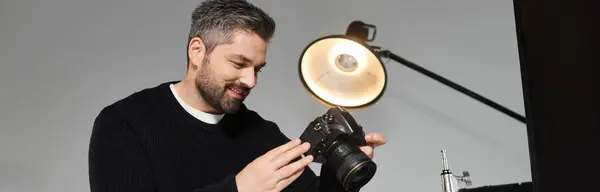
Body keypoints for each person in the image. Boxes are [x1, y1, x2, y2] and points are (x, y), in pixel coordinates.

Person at [88, 0, 387, 192]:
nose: (251, 80)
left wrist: (340, 171)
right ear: (197, 51)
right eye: (239, 63)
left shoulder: (261, 134)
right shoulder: (124, 123)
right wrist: (239, 189)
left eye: (258, 68)